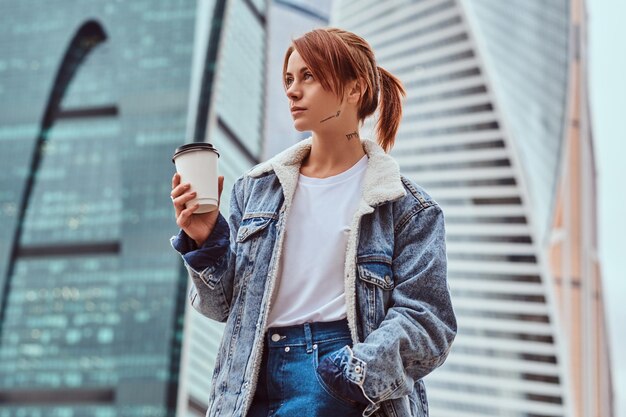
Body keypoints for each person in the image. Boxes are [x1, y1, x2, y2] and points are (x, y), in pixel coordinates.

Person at [170, 27, 456, 417]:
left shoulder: (408, 209)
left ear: (354, 89)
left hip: (339, 377)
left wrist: (353, 372)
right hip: (246, 385)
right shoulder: (255, 190)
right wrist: (206, 240)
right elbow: (222, 308)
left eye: (309, 76)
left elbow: (428, 321)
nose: (292, 90)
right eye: (289, 78)